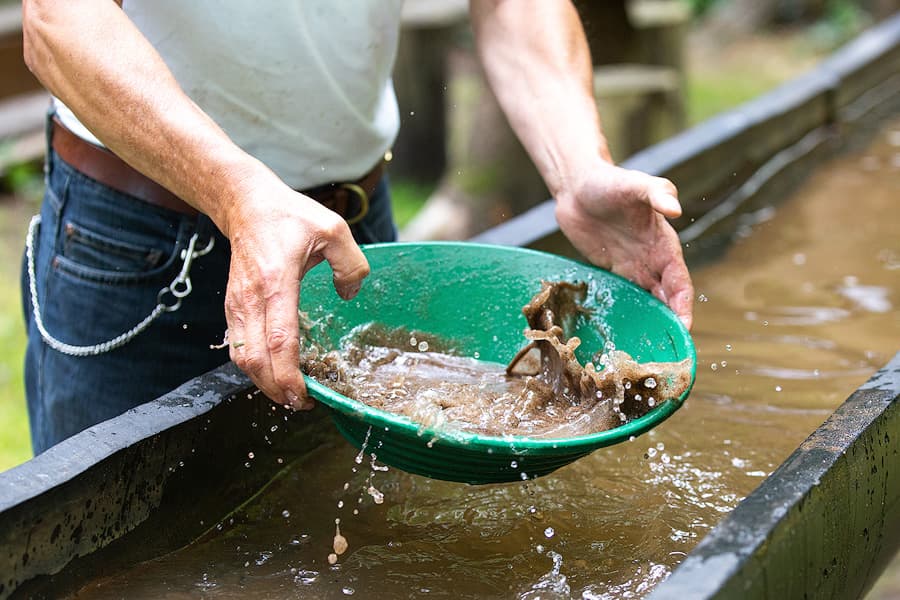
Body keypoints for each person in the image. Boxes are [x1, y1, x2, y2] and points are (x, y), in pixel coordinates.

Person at [21, 0, 694, 454]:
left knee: (355, 547)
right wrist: (238, 195)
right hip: (147, 243)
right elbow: (57, 21)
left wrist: (575, 162)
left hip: (353, 236)